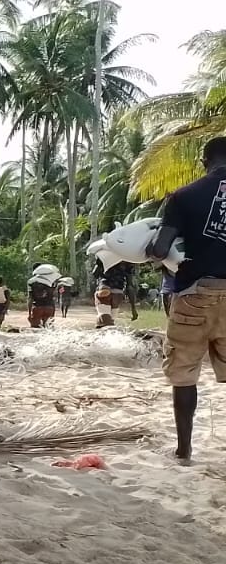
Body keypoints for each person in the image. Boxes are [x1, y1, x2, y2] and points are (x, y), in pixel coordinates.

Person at [146, 135, 226, 461]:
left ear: (204, 162)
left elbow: (161, 250)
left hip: (196, 293)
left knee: (184, 374)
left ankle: (184, 449)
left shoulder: (183, 196)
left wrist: (150, 246)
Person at [96, 259, 139, 323]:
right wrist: (133, 308)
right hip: (118, 293)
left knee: (103, 318)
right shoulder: (128, 261)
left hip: (104, 288)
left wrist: (99, 264)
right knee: (111, 320)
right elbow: (129, 286)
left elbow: (95, 274)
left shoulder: (106, 255)